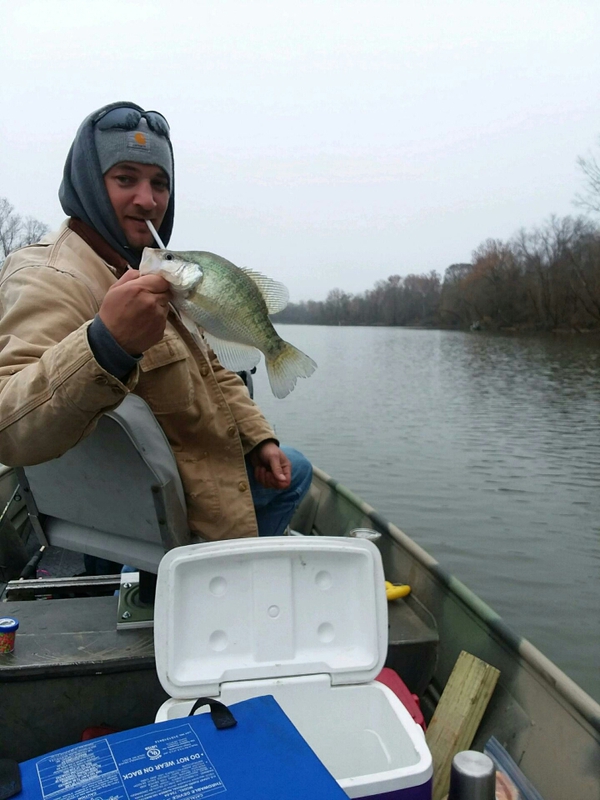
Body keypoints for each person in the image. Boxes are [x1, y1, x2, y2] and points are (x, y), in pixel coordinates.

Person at [0, 101, 312, 565]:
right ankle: (206, 580)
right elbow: (10, 426)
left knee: (293, 466)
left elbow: (211, 370)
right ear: (89, 183)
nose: (148, 200)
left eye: (159, 183)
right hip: (137, 509)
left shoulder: (148, 268)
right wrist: (106, 345)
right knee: (300, 475)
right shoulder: (50, 276)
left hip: (182, 469)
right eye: (125, 179)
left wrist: (258, 438)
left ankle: (225, 575)